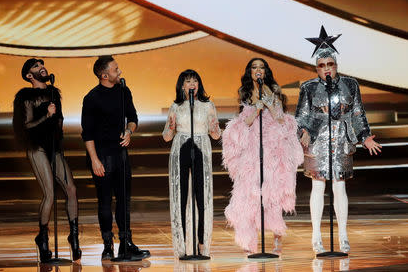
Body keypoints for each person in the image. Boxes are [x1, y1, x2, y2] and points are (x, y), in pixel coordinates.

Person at [296, 27, 382, 254]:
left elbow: (357, 113)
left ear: (336, 65)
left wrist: (364, 137)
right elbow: (301, 115)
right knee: (317, 185)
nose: (326, 69)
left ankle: (343, 235)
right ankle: (316, 237)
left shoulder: (351, 84)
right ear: (316, 68)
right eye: (321, 65)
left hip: (342, 138)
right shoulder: (308, 87)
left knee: (340, 185)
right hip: (317, 139)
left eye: (330, 64)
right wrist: (302, 130)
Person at [222, 58, 304, 255]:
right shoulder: (245, 92)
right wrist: (257, 107)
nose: (257, 70)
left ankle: (276, 236)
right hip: (252, 147)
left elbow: (280, 118)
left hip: (272, 146)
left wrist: (270, 102)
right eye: (254, 67)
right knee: (250, 192)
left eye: (261, 67)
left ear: (265, 71)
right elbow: (247, 121)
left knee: (272, 191)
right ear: (250, 71)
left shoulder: (273, 90)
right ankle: (250, 240)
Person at [81, 55, 150, 261]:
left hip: (120, 155)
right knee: (104, 202)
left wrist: (129, 131)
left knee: (123, 201)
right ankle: (107, 245)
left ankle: (126, 243)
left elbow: (133, 118)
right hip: (101, 155)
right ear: (104, 75)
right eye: (115, 69)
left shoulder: (123, 91)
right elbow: (87, 133)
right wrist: (94, 160)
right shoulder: (91, 98)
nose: (119, 72)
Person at [13, 58, 81, 263]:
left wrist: (58, 122)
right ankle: (43, 238)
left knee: (71, 189)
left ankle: (74, 235)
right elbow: (26, 125)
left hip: (54, 147)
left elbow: (58, 118)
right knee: (49, 193)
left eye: (41, 64)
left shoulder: (53, 93)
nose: (41, 67)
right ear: (29, 75)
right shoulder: (25, 97)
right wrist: (47, 116)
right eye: (35, 66)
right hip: (37, 147)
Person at [162, 69, 221, 258]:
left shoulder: (208, 105)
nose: (192, 84)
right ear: (182, 85)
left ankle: (202, 243)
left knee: (201, 197)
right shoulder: (176, 106)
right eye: (188, 81)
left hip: (201, 148)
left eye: (195, 81)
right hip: (181, 149)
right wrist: (171, 126)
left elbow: (216, 135)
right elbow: (166, 137)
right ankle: (183, 245)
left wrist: (214, 126)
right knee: (181, 197)